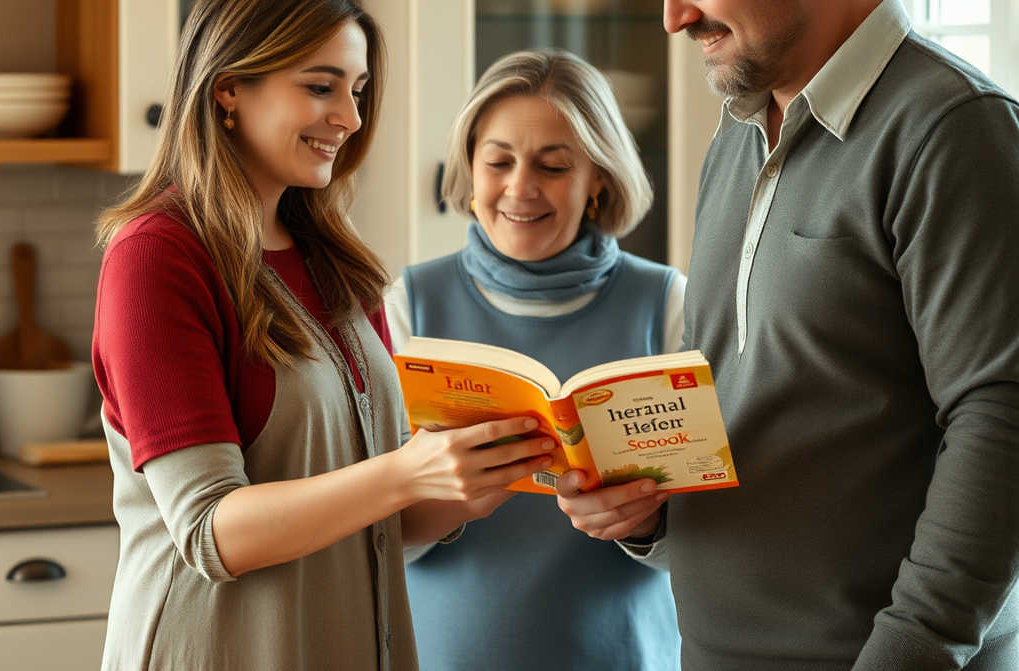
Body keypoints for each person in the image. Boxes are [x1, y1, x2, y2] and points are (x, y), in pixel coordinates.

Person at [555, 0, 1019, 669]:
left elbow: (1000, 417)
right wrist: (648, 515)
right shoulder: (738, 130)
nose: (675, 17)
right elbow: (745, 390)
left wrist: (910, 652)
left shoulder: (954, 127)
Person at [91, 2, 555, 669]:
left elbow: (384, 516)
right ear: (228, 87)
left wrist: (484, 476)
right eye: (320, 86)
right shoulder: (157, 256)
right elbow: (209, 530)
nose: (351, 117)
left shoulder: (336, 262)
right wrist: (406, 472)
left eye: (357, 91)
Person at [384, 49, 684, 670]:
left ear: (599, 178)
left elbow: (723, 539)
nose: (520, 188)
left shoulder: (669, 303)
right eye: (498, 162)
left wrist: (646, 526)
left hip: (626, 656)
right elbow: (367, 531)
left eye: (553, 166)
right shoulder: (406, 306)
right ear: (470, 169)